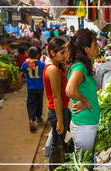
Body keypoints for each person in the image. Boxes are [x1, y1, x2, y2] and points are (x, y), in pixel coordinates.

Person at [66, 29, 100, 152]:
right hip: (84, 126)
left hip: (86, 123)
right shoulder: (80, 67)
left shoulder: (83, 65)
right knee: (83, 164)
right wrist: (84, 100)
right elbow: (70, 90)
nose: (98, 47)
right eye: (95, 44)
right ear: (86, 49)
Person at [43, 37, 71, 170]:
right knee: (57, 143)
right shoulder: (52, 69)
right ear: (52, 53)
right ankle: (53, 168)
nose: (66, 55)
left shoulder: (58, 66)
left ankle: (59, 165)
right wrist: (60, 120)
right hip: (57, 111)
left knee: (60, 141)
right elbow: (56, 96)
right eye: (62, 53)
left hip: (62, 109)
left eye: (66, 52)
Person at [21, 47, 45, 132]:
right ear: (38, 55)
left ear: (28, 55)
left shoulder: (25, 63)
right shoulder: (42, 64)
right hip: (40, 87)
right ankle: (39, 117)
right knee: (39, 102)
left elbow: (22, 70)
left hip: (31, 87)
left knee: (31, 103)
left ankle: (31, 119)